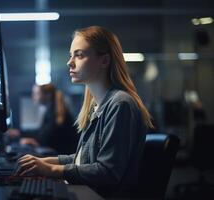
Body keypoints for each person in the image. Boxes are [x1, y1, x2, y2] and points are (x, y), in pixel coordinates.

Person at [15, 26, 154, 197]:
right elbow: (85, 158)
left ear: (104, 61)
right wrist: (46, 162)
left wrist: (51, 169)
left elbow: (108, 172)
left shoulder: (120, 104)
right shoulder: (97, 105)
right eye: (71, 55)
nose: (70, 61)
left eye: (79, 55)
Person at [7, 83, 78, 154]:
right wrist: (20, 133)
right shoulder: (52, 109)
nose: (33, 96)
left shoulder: (54, 112)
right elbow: (42, 133)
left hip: (64, 156)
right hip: (62, 153)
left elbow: (46, 138)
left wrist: (32, 140)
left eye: (36, 93)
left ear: (47, 95)